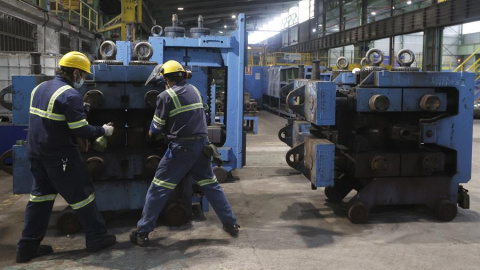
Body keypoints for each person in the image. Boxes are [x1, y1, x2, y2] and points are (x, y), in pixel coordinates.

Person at [16, 51, 116, 263]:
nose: (85, 80)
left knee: (40, 199)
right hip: (59, 157)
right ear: (76, 73)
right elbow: (81, 130)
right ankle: (97, 237)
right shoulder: (70, 96)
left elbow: (52, 119)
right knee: (83, 195)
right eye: (85, 76)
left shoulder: (39, 88)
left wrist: (79, 109)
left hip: (36, 154)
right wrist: (103, 131)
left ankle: (27, 247)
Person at [130, 60, 239, 247]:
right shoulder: (195, 90)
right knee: (211, 186)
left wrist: (150, 133)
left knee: (158, 188)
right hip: (201, 147)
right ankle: (231, 224)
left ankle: (142, 232)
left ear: (166, 78)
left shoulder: (166, 96)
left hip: (181, 150)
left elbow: (156, 128)